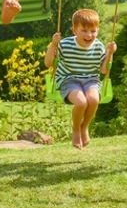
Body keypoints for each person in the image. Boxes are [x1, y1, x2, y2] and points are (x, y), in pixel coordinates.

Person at [45, 9, 117, 150]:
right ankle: (76, 129)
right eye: (84, 30)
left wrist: (110, 53)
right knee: (81, 102)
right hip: (68, 79)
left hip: (91, 79)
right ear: (74, 30)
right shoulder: (65, 45)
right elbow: (48, 63)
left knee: (93, 99)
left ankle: (84, 126)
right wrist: (53, 45)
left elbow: (103, 70)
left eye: (93, 31)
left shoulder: (99, 47)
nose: (89, 35)